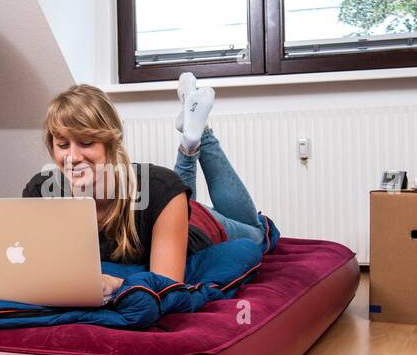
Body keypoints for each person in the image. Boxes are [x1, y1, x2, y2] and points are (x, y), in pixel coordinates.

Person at [20, 73, 267, 301]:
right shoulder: (42, 191)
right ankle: (191, 137)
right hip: (170, 201)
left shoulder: (160, 190)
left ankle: (201, 134)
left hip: (200, 222)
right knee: (171, 189)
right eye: (63, 145)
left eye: (86, 143)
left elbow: (167, 284)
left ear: (112, 143)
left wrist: (118, 282)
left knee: (257, 233)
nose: (72, 156)